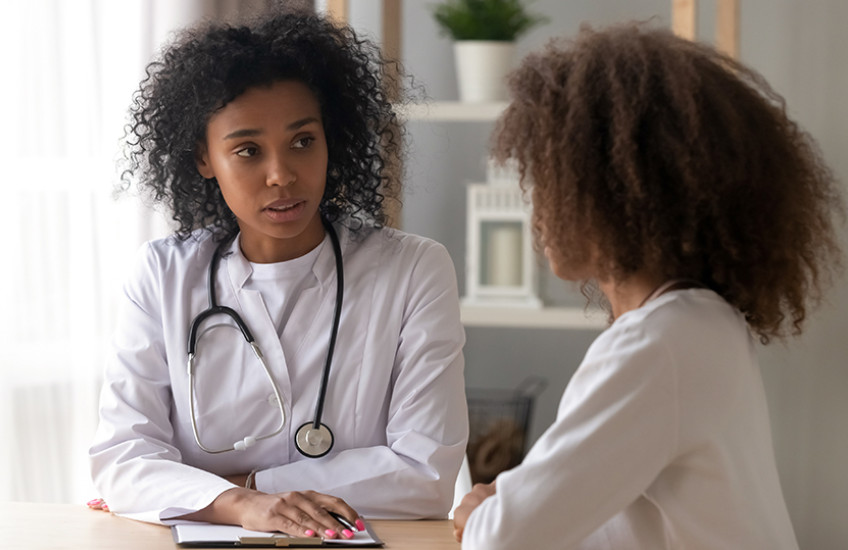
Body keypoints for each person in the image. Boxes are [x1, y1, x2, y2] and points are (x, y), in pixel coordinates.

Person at [453, 23, 843, 549]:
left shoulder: (655, 347)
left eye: (554, 183)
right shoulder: (704, 321)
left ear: (627, 193)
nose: (539, 212)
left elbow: (502, 540)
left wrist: (485, 509)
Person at [88, 8, 468, 540]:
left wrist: (236, 490)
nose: (281, 175)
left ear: (331, 140)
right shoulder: (162, 276)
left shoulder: (413, 270)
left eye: (303, 141)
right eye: (247, 150)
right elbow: (123, 462)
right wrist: (243, 504)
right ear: (203, 157)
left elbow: (425, 476)